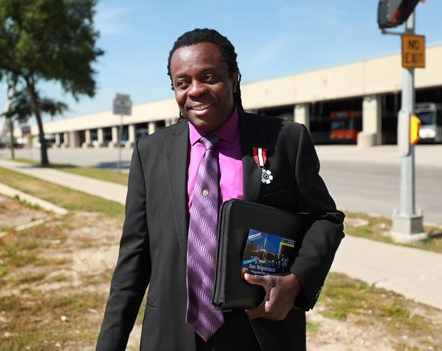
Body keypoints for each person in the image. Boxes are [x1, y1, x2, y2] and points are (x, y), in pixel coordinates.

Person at [96, 28, 344, 351]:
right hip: (172, 335)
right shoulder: (150, 153)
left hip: (259, 331)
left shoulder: (285, 140)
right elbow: (133, 262)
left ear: (234, 77)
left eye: (208, 76)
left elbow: (325, 218)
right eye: (182, 83)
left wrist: (295, 283)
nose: (195, 91)